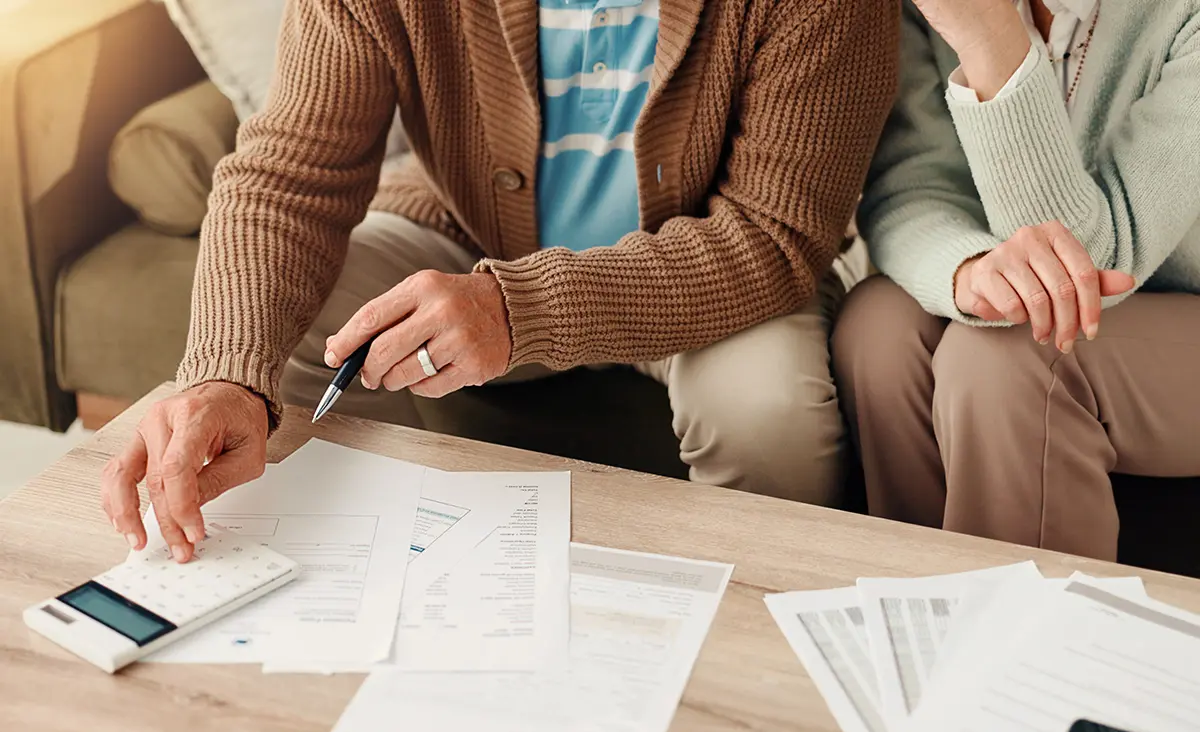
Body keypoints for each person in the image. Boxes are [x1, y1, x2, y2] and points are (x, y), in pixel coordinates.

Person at [100, 0, 900, 562]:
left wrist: (521, 308)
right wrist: (225, 375)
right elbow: (287, 177)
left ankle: (747, 635)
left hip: (707, 272)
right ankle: (371, 578)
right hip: (466, 233)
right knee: (309, 323)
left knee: (768, 411)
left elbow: (775, 231)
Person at [833, 0, 1200, 559]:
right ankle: (925, 605)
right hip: (1085, 296)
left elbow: (1094, 261)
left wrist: (990, 40)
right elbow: (913, 188)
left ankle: (1034, 640)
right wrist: (970, 270)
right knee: (879, 326)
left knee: (1017, 357)